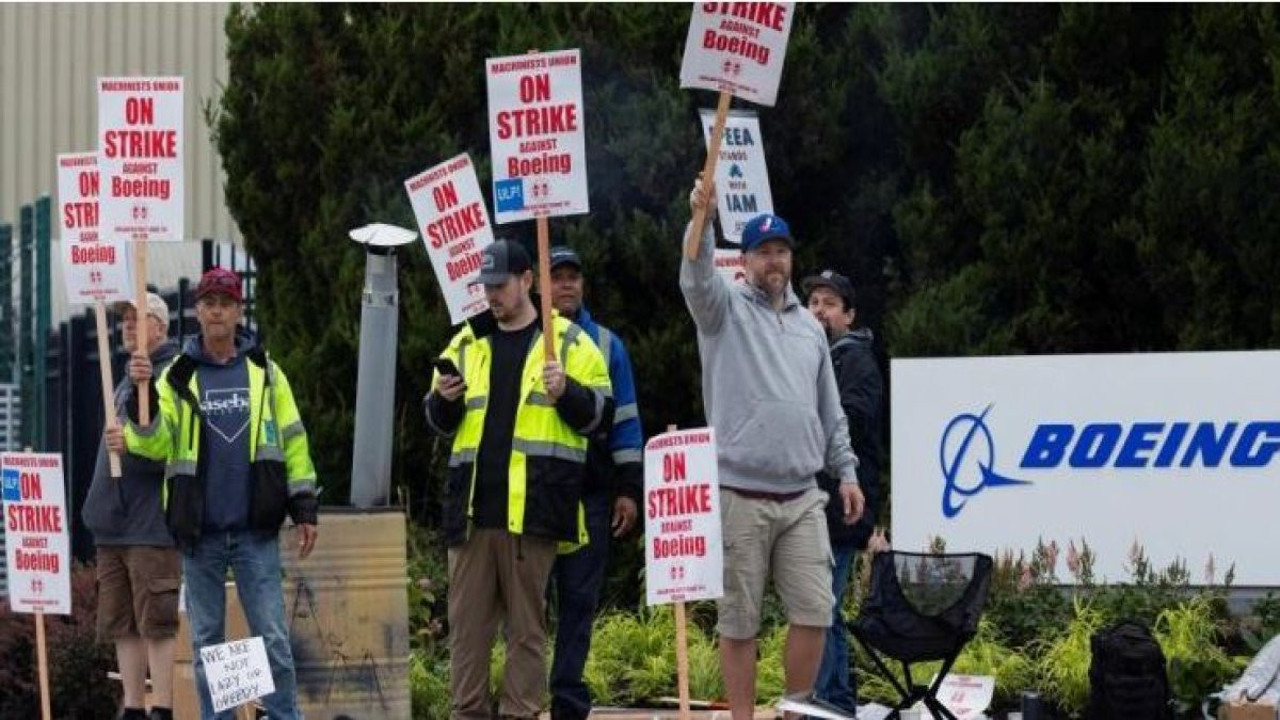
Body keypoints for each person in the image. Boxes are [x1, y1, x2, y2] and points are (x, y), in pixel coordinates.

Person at [680, 177, 865, 720]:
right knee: (739, 619)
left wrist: (847, 472)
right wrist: (702, 219)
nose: (774, 261)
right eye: (763, 252)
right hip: (739, 490)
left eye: (781, 251)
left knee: (815, 610)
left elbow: (830, 410)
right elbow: (694, 276)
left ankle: (793, 710)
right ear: (745, 260)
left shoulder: (811, 328)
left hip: (803, 494)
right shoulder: (721, 311)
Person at [107, 267, 319, 720]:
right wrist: (138, 400)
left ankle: (284, 716)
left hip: (254, 531)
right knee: (207, 645)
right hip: (199, 532)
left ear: (239, 311)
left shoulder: (265, 371)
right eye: (209, 303)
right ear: (197, 311)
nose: (217, 311)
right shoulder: (178, 375)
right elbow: (153, 444)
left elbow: (293, 439)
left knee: (274, 638)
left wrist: (304, 506)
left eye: (226, 303)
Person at [423, 240, 614, 720]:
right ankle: (467, 713)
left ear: (527, 281)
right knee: (467, 631)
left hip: (534, 511)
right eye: (485, 287)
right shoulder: (465, 343)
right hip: (471, 515)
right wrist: (443, 400)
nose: (492, 295)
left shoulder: (570, 343)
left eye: (500, 285)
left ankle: (520, 713)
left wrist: (567, 392)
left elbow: (602, 419)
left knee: (527, 632)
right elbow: (437, 419)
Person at [544, 245, 644, 720]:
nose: (565, 284)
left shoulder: (607, 345)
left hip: (590, 493)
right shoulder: (524, 340)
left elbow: (625, 421)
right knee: (525, 605)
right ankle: (522, 698)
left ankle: (566, 701)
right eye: (556, 276)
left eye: (572, 277)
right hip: (536, 494)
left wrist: (628, 489)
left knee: (579, 602)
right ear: (538, 285)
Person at [83, 293, 181, 720]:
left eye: (137, 318)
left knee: (155, 618)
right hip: (115, 524)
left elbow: (168, 444)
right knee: (122, 621)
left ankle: (161, 705)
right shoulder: (124, 379)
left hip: (149, 523)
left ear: (160, 326)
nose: (126, 325)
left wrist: (135, 444)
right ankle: (134, 707)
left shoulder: (171, 377)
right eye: (123, 319)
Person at [802, 269, 885, 717]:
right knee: (820, 606)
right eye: (813, 302)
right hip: (818, 503)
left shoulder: (854, 360)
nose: (819, 311)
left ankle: (832, 701)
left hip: (842, 507)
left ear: (848, 315)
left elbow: (850, 420)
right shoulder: (816, 358)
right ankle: (830, 698)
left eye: (829, 304)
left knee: (824, 607)